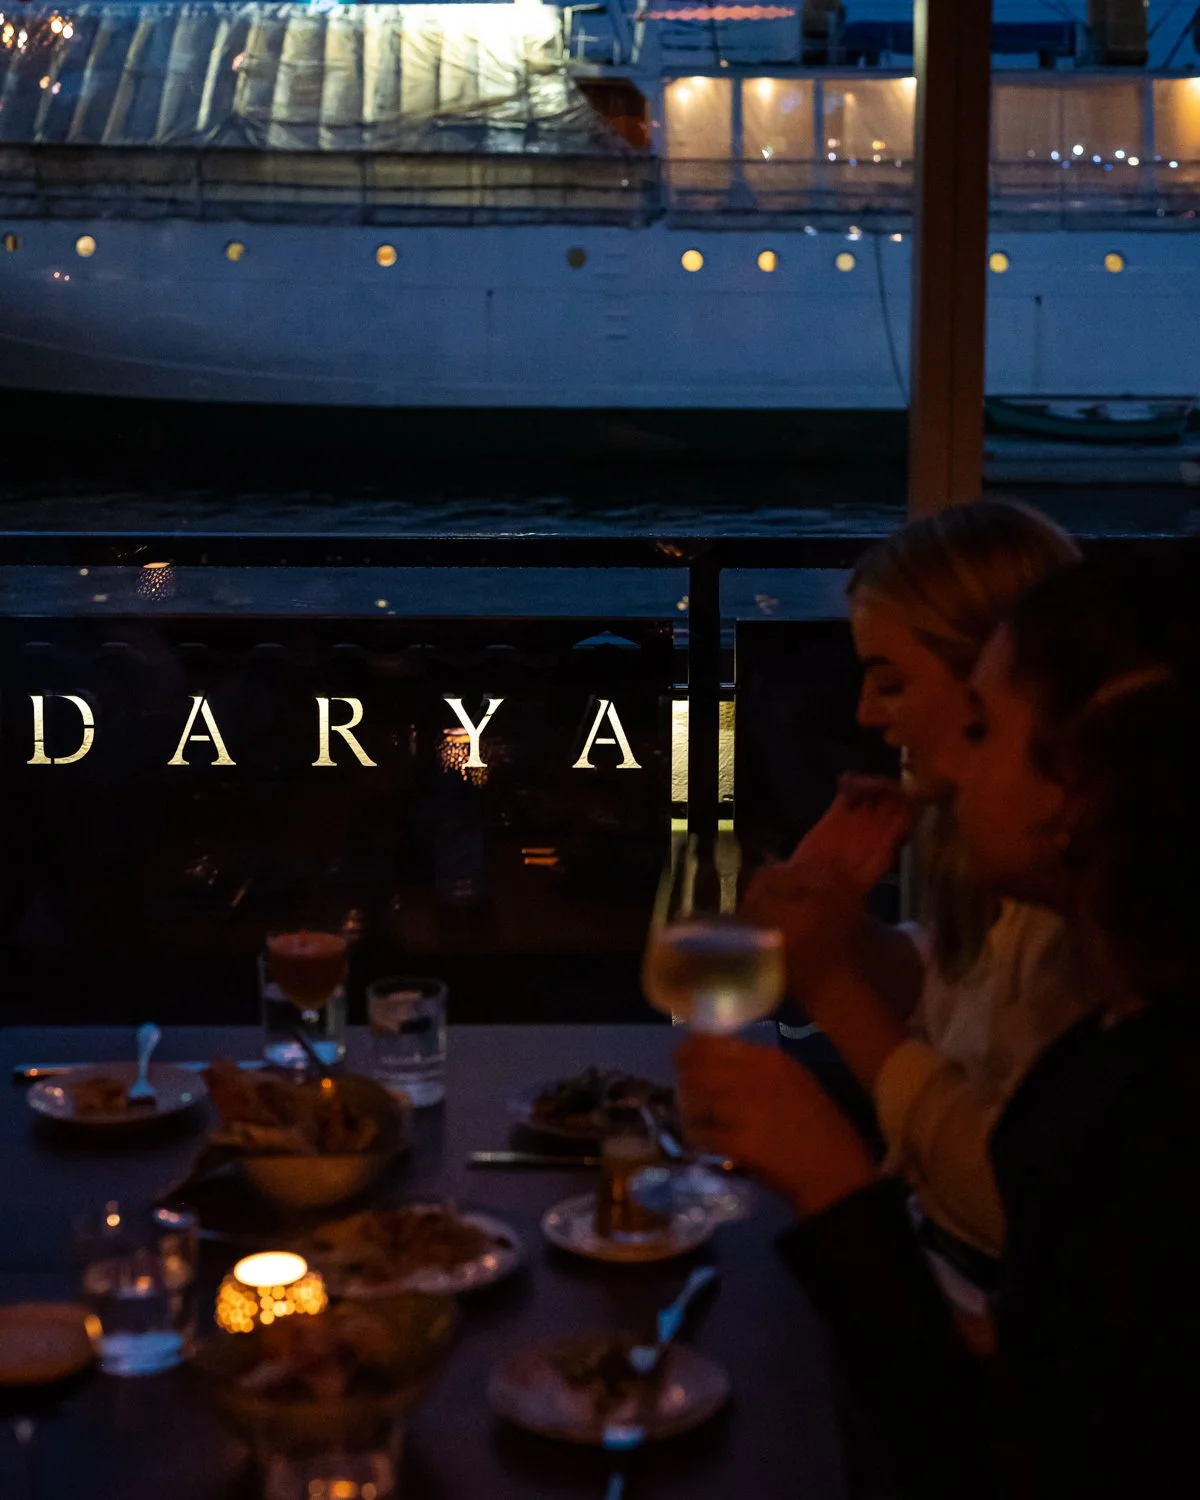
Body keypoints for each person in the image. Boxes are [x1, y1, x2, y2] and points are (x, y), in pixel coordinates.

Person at [678, 551, 1200, 1499]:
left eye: (982, 727)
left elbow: (982, 1459)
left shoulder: (1161, 1112)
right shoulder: (1122, 1042)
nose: (952, 766)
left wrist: (834, 1183)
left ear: (1079, 781)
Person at [747, 501, 1084, 1289]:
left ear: (991, 683)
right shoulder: (981, 860)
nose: (867, 715)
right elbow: (952, 996)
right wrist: (840, 926)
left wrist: (829, 982)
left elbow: (1015, 1198)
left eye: (890, 683)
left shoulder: (1083, 913)